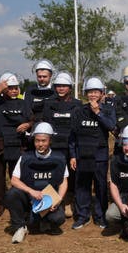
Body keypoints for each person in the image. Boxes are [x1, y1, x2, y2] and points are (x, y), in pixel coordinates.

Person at [3, 122, 68, 243]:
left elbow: (63, 182)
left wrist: (58, 200)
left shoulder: (59, 158)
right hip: (30, 198)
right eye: (37, 141)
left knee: (58, 218)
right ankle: (20, 227)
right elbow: (14, 180)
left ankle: (44, 221)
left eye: (44, 141)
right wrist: (31, 191)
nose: (40, 144)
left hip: (49, 202)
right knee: (12, 194)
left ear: (50, 140)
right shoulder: (25, 157)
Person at [0, 73, 31, 223]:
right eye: (10, 88)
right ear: (4, 89)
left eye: (16, 88)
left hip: (18, 144)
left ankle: (20, 202)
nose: (14, 91)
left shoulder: (23, 104)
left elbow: (33, 118)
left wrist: (28, 124)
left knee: (19, 175)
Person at [68, 77, 117, 229]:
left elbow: (111, 127)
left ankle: (100, 216)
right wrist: (73, 155)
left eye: (96, 92)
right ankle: (83, 216)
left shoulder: (108, 110)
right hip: (82, 154)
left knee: (101, 186)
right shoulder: (79, 111)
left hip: (100, 156)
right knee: (82, 186)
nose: (93, 95)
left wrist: (98, 113)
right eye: (90, 92)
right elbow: (73, 136)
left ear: (102, 94)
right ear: (86, 93)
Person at [41, 71, 82, 217]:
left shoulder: (78, 104)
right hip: (54, 147)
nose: (61, 89)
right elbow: (46, 125)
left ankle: (69, 202)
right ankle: (53, 203)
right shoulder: (49, 104)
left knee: (72, 176)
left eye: (64, 86)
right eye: (58, 86)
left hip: (71, 147)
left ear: (70, 87)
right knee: (54, 175)